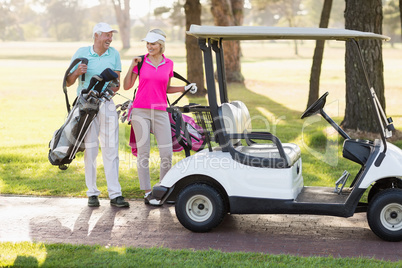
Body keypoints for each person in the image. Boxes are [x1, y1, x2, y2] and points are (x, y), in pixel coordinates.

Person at [123, 29, 197, 206]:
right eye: (148, 43)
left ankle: (163, 189)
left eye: (153, 44)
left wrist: (184, 88)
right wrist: (131, 66)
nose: (149, 46)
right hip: (140, 111)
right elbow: (126, 86)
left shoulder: (169, 64)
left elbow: (165, 88)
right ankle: (148, 192)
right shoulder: (140, 62)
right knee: (144, 153)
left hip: (161, 110)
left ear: (161, 45)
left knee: (166, 153)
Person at [66, 22, 129, 208]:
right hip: (86, 106)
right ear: (96, 35)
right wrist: (77, 72)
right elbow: (68, 82)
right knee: (91, 150)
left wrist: (107, 89)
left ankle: (115, 194)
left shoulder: (114, 54)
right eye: (107, 35)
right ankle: (92, 193)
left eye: (111, 35)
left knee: (111, 149)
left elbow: (116, 84)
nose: (110, 39)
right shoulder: (81, 53)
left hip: (107, 105)